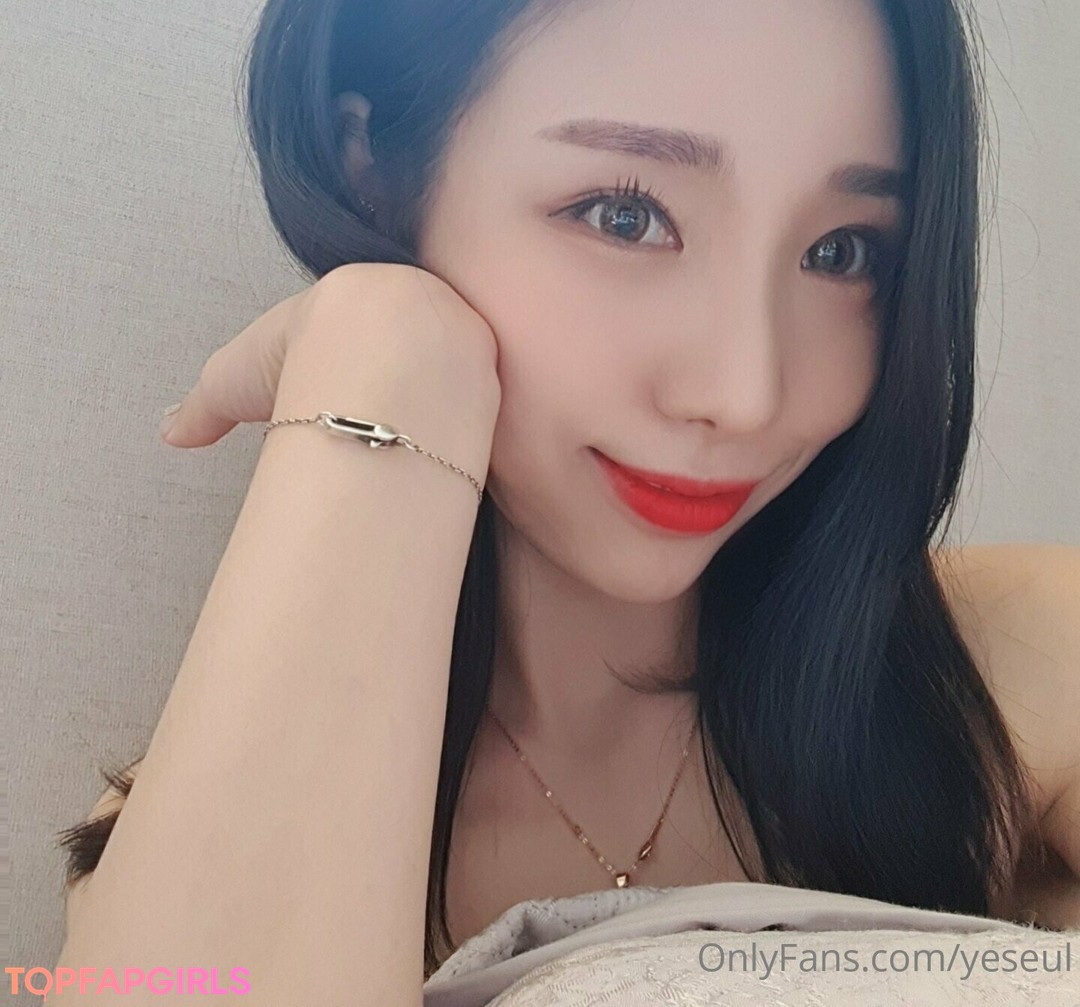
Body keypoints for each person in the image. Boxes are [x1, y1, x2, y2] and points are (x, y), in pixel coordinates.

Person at [54, 0, 1080, 1001]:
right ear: (376, 172)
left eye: (841, 252)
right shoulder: (222, 808)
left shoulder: (1018, 670)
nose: (744, 392)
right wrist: (383, 349)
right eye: (625, 216)